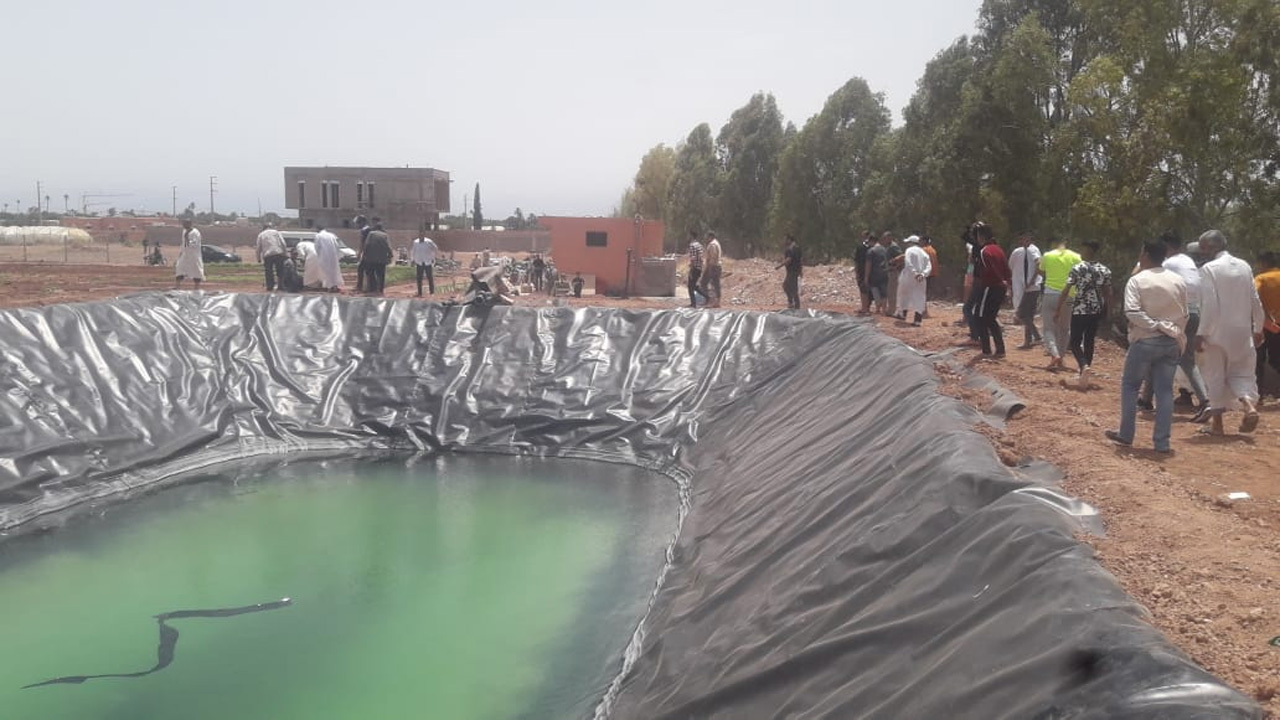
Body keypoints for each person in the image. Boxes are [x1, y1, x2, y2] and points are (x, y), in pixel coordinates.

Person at [1107, 240, 1188, 453]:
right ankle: (1162, 443)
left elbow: (1132, 312)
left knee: (1131, 386)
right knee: (1165, 392)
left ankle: (1126, 435)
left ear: (1145, 254)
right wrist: (1171, 329)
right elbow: (1185, 313)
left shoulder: (1137, 280)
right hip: (1171, 341)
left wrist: (1154, 325)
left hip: (1145, 340)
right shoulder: (1177, 280)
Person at [1197, 229, 1265, 435]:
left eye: (1203, 249)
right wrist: (1258, 328)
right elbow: (1255, 300)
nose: (1202, 253)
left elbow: (1210, 305)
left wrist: (1201, 333)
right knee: (1242, 373)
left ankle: (1217, 425)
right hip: (1242, 333)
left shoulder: (1209, 269)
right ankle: (1249, 406)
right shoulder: (1244, 266)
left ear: (1211, 247)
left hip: (1216, 332)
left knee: (1215, 375)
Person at [1138, 233, 1211, 418]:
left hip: (1179, 313)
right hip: (1194, 312)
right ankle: (1146, 399)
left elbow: (1144, 276)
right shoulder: (1187, 260)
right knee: (1182, 359)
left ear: (1165, 247)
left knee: (1158, 354)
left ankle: (1205, 400)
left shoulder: (1168, 263)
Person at [1056, 241, 1112, 386]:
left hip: (1080, 309)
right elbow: (1108, 293)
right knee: (1089, 341)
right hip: (1095, 310)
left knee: (1074, 341)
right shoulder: (1104, 269)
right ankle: (1083, 374)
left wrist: (1058, 308)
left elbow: (1067, 289)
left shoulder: (1077, 268)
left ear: (1087, 250)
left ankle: (1083, 366)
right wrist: (1108, 311)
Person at [1037, 238, 1083, 370]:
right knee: (1064, 328)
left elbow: (1040, 271)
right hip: (1069, 296)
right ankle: (1061, 358)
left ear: (1053, 244)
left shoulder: (1047, 255)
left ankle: (1054, 353)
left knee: (1048, 328)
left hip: (1051, 294)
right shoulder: (1076, 257)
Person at [971, 223, 1011, 358]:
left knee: (979, 316)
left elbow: (987, 271)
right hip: (1001, 287)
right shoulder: (999, 249)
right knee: (990, 318)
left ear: (981, 237)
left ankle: (986, 350)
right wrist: (1007, 285)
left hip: (990, 287)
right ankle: (1000, 350)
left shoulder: (985, 251)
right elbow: (1007, 270)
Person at [1009, 231, 1043, 348]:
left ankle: (1037, 336)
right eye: (1022, 239)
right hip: (1029, 287)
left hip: (1030, 287)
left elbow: (1038, 263)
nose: (1023, 241)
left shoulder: (1032, 250)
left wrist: (1032, 279)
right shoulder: (1022, 251)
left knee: (1021, 314)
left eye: (1026, 239)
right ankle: (1028, 341)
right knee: (1028, 315)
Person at [1255, 250, 1280, 397]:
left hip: (1266, 325)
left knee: (1259, 359)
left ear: (1263, 263)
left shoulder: (1261, 278)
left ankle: (1258, 395)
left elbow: (1253, 298)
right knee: (1277, 359)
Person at [897, 235, 931, 325]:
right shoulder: (924, 253)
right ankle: (917, 320)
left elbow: (908, 262)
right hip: (921, 278)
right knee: (919, 296)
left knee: (904, 294)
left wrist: (914, 273)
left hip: (909, 276)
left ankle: (903, 315)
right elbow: (929, 266)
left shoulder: (909, 250)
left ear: (911, 243)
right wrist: (923, 274)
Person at [865, 232, 893, 315]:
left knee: (875, 290)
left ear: (871, 241)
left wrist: (866, 277)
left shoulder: (871, 251)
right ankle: (884, 310)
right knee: (884, 292)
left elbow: (868, 264)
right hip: (884, 273)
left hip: (874, 274)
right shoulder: (884, 249)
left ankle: (878, 308)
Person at [361, 222, 393, 294]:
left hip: (371, 258)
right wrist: (390, 255)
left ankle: (372, 289)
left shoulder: (371, 234)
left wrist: (364, 254)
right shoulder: (385, 235)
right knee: (381, 274)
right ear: (381, 229)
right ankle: (380, 290)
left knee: (371, 273)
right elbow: (388, 246)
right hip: (382, 258)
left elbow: (367, 244)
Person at [255, 223, 287, 292]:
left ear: (264, 228)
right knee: (280, 271)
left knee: (269, 271)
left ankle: (270, 286)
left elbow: (258, 248)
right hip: (278, 253)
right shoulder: (276, 232)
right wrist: (285, 254)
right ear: (270, 227)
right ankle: (281, 286)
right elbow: (283, 243)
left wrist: (258, 258)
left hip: (268, 255)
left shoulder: (261, 234)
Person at [174, 218, 204, 290]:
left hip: (194, 255)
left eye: (185, 224)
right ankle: (177, 287)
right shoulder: (184, 231)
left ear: (190, 224)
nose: (183, 225)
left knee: (196, 271)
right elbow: (183, 244)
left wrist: (187, 238)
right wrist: (180, 253)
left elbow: (194, 244)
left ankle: (196, 288)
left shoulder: (195, 232)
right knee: (179, 268)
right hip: (185, 254)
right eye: (183, 224)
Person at [313, 226, 345, 292]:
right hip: (333, 255)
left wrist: (319, 255)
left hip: (324, 256)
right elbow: (337, 245)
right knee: (334, 271)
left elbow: (317, 247)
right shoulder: (332, 235)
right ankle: (335, 286)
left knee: (326, 272)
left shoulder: (318, 236)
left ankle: (329, 287)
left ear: (318, 229)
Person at [778, 234, 803, 310]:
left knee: (786, 286)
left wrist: (779, 266)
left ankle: (792, 303)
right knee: (792, 287)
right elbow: (800, 261)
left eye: (785, 239)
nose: (784, 241)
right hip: (796, 271)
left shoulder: (790, 249)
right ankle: (795, 305)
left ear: (789, 240)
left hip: (792, 271)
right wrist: (801, 271)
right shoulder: (798, 248)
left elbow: (789, 260)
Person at [411, 232, 438, 296]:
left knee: (430, 277)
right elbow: (413, 251)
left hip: (427, 262)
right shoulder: (415, 242)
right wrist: (413, 259)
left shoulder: (429, 241)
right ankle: (420, 293)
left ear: (424, 236)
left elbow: (435, 248)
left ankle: (432, 292)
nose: (421, 237)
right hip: (419, 262)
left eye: (422, 236)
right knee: (419, 278)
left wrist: (433, 257)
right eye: (420, 236)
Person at [700, 231, 723, 308]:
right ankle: (714, 301)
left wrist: (709, 267)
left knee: (704, 282)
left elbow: (713, 257)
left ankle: (710, 300)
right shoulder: (716, 243)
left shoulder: (712, 244)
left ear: (710, 237)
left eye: (708, 237)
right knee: (715, 284)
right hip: (716, 266)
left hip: (713, 266)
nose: (707, 238)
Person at [855, 231, 875, 314]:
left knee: (863, 289)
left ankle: (864, 308)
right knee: (871, 290)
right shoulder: (873, 247)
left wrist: (856, 272)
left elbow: (857, 261)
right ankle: (868, 307)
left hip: (862, 271)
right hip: (873, 271)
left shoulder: (860, 247)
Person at [921, 236, 940, 316]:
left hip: (925, 273)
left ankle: (924, 311)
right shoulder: (932, 249)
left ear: (924, 241)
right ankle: (924, 310)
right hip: (932, 273)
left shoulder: (924, 250)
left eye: (921, 241)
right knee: (924, 292)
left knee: (922, 292)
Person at [686, 231, 704, 308]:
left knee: (690, 286)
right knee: (694, 286)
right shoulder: (700, 245)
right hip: (699, 268)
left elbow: (693, 259)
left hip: (695, 268)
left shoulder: (692, 245)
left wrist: (691, 270)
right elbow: (701, 258)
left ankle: (693, 304)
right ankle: (707, 297)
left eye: (689, 235)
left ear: (691, 236)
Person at [354, 215, 371, 292]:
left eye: (358, 223)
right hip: (370, 252)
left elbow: (362, 243)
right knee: (367, 270)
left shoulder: (364, 230)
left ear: (362, 222)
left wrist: (359, 253)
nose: (357, 225)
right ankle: (366, 286)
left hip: (367, 253)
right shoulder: (370, 229)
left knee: (361, 269)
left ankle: (360, 286)